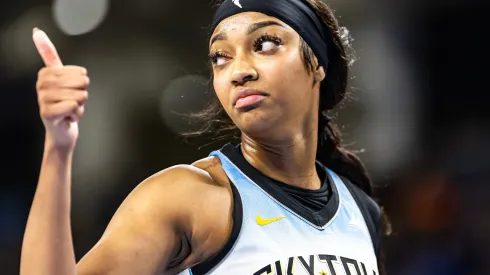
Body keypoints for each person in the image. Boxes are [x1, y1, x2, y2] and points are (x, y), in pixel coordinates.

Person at [20, 0, 387, 274]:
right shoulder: (187, 197)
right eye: (220, 57)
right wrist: (58, 146)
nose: (239, 71)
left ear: (317, 62)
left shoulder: (360, 211)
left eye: (264, 44)